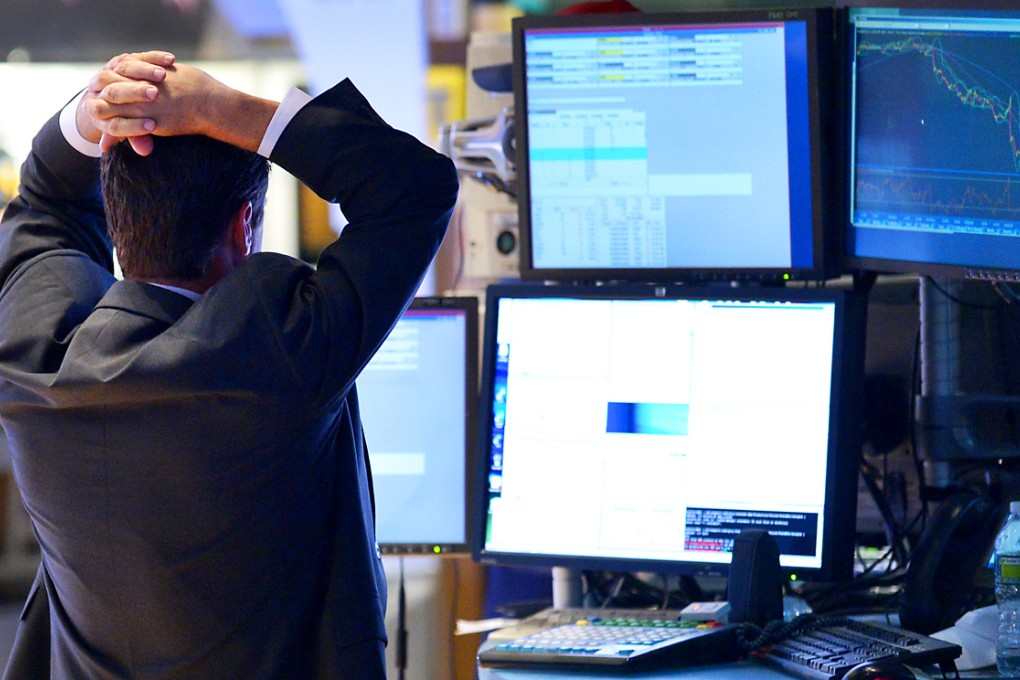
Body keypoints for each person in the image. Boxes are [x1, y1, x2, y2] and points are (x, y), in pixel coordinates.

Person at [0, 50, 458, 679]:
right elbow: (416, 188)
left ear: (118, 218)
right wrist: (221, 110)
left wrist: (94, 111)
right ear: (245, 227)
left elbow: (43, 207)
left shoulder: (31, 354)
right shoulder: (277, 351)